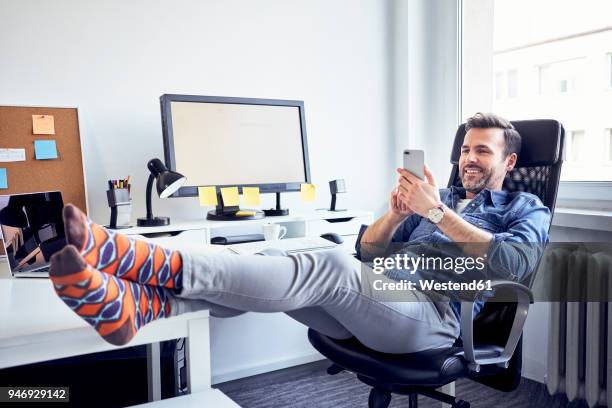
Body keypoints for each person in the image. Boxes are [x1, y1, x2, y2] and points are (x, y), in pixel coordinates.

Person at [49, 112, 550, 354]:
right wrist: (399, 214)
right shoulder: (434, 197)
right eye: (465, 148)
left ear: (508, 161)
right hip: (379, 298)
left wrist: (437, 213)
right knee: (295, 264)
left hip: (437, 319)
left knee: (326, 266)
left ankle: (134, 258)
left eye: (482, 151)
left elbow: (513, 267)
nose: (468, 158)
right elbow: (366, 250)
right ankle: (138, 308)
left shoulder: (524, 206)